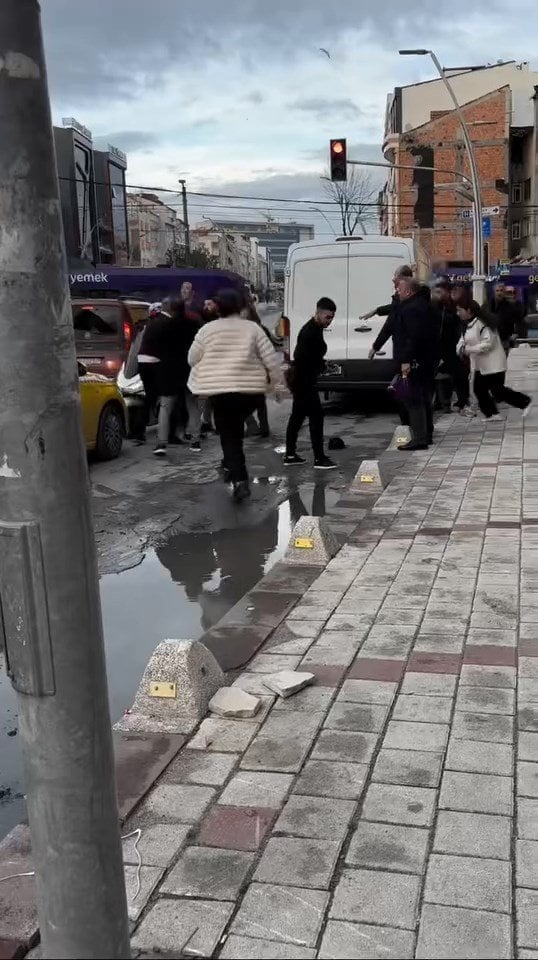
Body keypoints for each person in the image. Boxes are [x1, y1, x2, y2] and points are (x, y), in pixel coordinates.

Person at [188, 288, 282, 502]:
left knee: (229, 436)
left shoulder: (207, 330)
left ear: (219, 308)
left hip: (222, 392)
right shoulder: (253, 329)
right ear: (241, 307)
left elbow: (192, 358)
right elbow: (270, 360)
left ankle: (239, 478)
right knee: (235, 432)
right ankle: (234, 470)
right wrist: (277, 386)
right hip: (250, 393)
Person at [284, 297, 338, 470]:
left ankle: (291, 455)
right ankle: (319, 458)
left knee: (297, 417)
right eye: (327, 317)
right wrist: (321, 366)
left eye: (332, 317)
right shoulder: (310, 331)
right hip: (304, 381)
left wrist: (322, 363)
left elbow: (311, 356)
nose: (330, 321)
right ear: (318, 313)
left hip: (303, 379)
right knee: (316, 417)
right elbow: (303, 357)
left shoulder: (315, 328)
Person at [458, 299, 532, 421]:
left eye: (460, 310)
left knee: (497, 390)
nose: (458, 313)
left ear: (469, 311)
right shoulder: (466, 325)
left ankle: (525, 402)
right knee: (479, 389)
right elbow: (462, 340)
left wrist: (469, 349)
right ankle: (492, 413)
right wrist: (461, 348)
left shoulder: (483, 324)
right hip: (480, 365)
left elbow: (487, 344)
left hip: (493, 363)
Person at [138, 297, 193, 456]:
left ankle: (161, 442)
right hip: (181, 369)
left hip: (164, 369)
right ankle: (186, 435)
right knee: (186, 404)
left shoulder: (155, 323)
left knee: (164, 405)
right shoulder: (183, 324)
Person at [392, 277, 439, 451]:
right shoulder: (421, 305)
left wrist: (406, 360)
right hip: (425, 360)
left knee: (414, 399)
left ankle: (420, 438)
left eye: (400, 289)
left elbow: (412, 337)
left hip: (415, 361)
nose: (397, 291)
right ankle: (426, 435)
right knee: (423, 397)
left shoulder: (412, 309)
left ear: (409, 292)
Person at [431, 279, 472, 415]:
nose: (436, 294)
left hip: (451, 346)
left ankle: (462, 400)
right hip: (437, 346)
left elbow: (460, 323)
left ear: (446, 291)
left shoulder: (454, 304)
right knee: (439, 375)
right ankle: (441, 402)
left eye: (439, 291)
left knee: (458, 374)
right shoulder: (434, 305)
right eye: (435, 292)